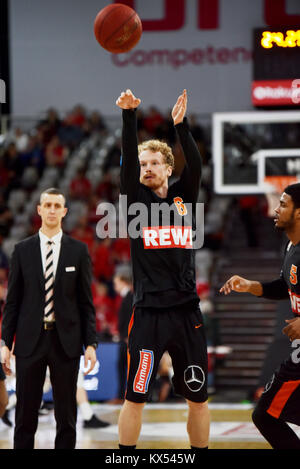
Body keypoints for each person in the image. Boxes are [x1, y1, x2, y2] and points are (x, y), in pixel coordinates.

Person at [115, 89, 209, 450]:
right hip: (149, 313)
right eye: (143, 163)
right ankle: (125, 456)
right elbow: (127, 159)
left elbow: (197, 166)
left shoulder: (183, 198)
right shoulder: (134, 200)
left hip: (186, 311)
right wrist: (128, 116)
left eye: (154, 162)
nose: (147, 168)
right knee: (135, 397)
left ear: (169, 168)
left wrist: (181, 126)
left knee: (197, 398)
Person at [0, 187, 98, 449]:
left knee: (66, 418)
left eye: (57, 205)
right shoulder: (22, 250)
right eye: (48, 205)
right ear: (39, 210)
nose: (52, 209)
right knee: (25, 417)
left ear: (64, 211)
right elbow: (12, 303)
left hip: (65, 341)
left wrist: (91, 344)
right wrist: (4, 344)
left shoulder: (78, 251)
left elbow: (86, 303)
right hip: (30, 342)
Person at [220, 183, 300, 449]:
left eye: (284, 204)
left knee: (265, 414)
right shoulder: (290, 246)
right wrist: (251, 285)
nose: (275, 209)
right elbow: (284, 285)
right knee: (265, 414)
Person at [113, 264, 134, 403]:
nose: (114, 286)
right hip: (124, 337)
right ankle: (122, 394)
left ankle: (125, 395)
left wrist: (128, 336)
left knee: (128, 366)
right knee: (121, 365)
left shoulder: (131, 296)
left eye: (116, 283)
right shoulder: (126, 297)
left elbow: (132, 317)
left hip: (128, 339)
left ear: (123, 281)